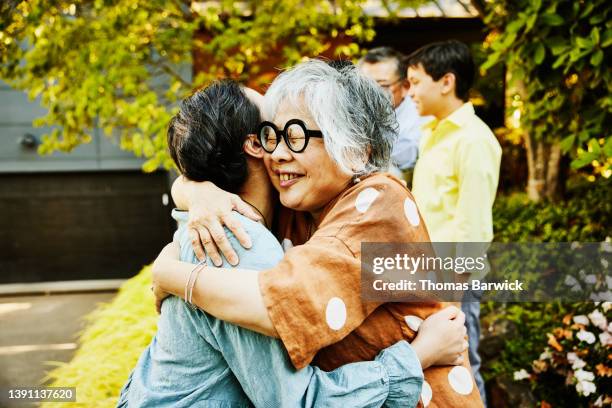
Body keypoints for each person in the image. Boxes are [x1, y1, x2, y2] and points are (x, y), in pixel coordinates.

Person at [117, 80, 468, 407]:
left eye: (294, 135)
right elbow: (296, 396)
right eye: (273, 131)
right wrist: (417, 356)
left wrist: (192, 196)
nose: (283, 150)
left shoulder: (266, 217)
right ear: (256, 145)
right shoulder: (238, 240)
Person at [406, 40, 503, 406]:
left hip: (453, 280)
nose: (410, 91)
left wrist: (455, 292)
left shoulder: (474, 140)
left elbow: (474, 225)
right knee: (439, 370)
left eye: (416, 82)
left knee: (464, 363)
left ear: (446, 82)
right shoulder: (433, 133)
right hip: (426, 276)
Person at [359, 47, 427, 174]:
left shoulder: (421, 111)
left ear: (405, 86)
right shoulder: (353, 110)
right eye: (364, 85)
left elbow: (409, 156)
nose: (371, 93)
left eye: (382, 85)